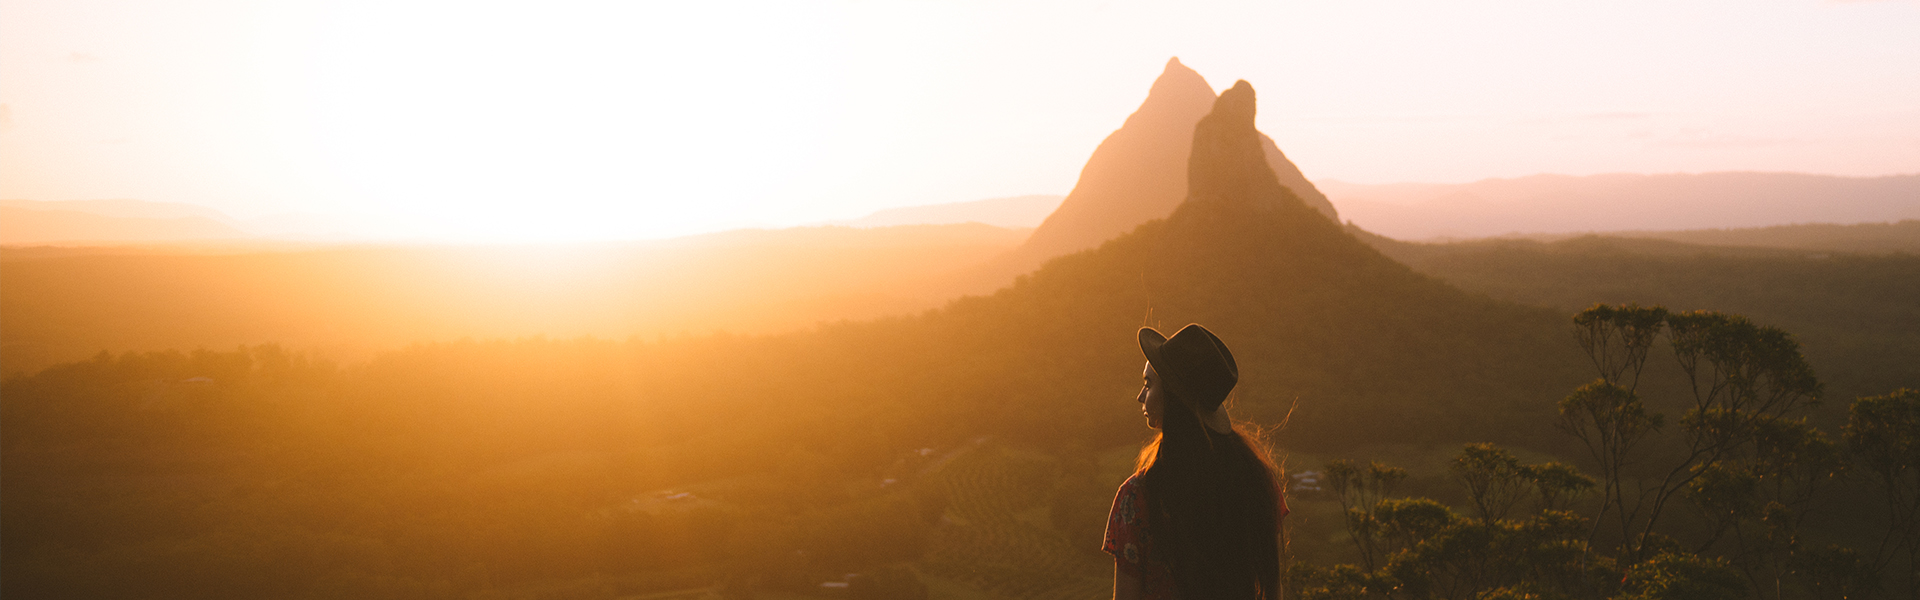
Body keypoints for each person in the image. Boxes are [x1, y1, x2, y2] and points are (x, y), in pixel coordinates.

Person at [1104, 323, 1288, 600]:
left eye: (1148, 385)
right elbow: (1272, 590)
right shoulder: (1257, 482)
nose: (1140, 396)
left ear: (1174, 399)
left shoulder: (1136, 499)